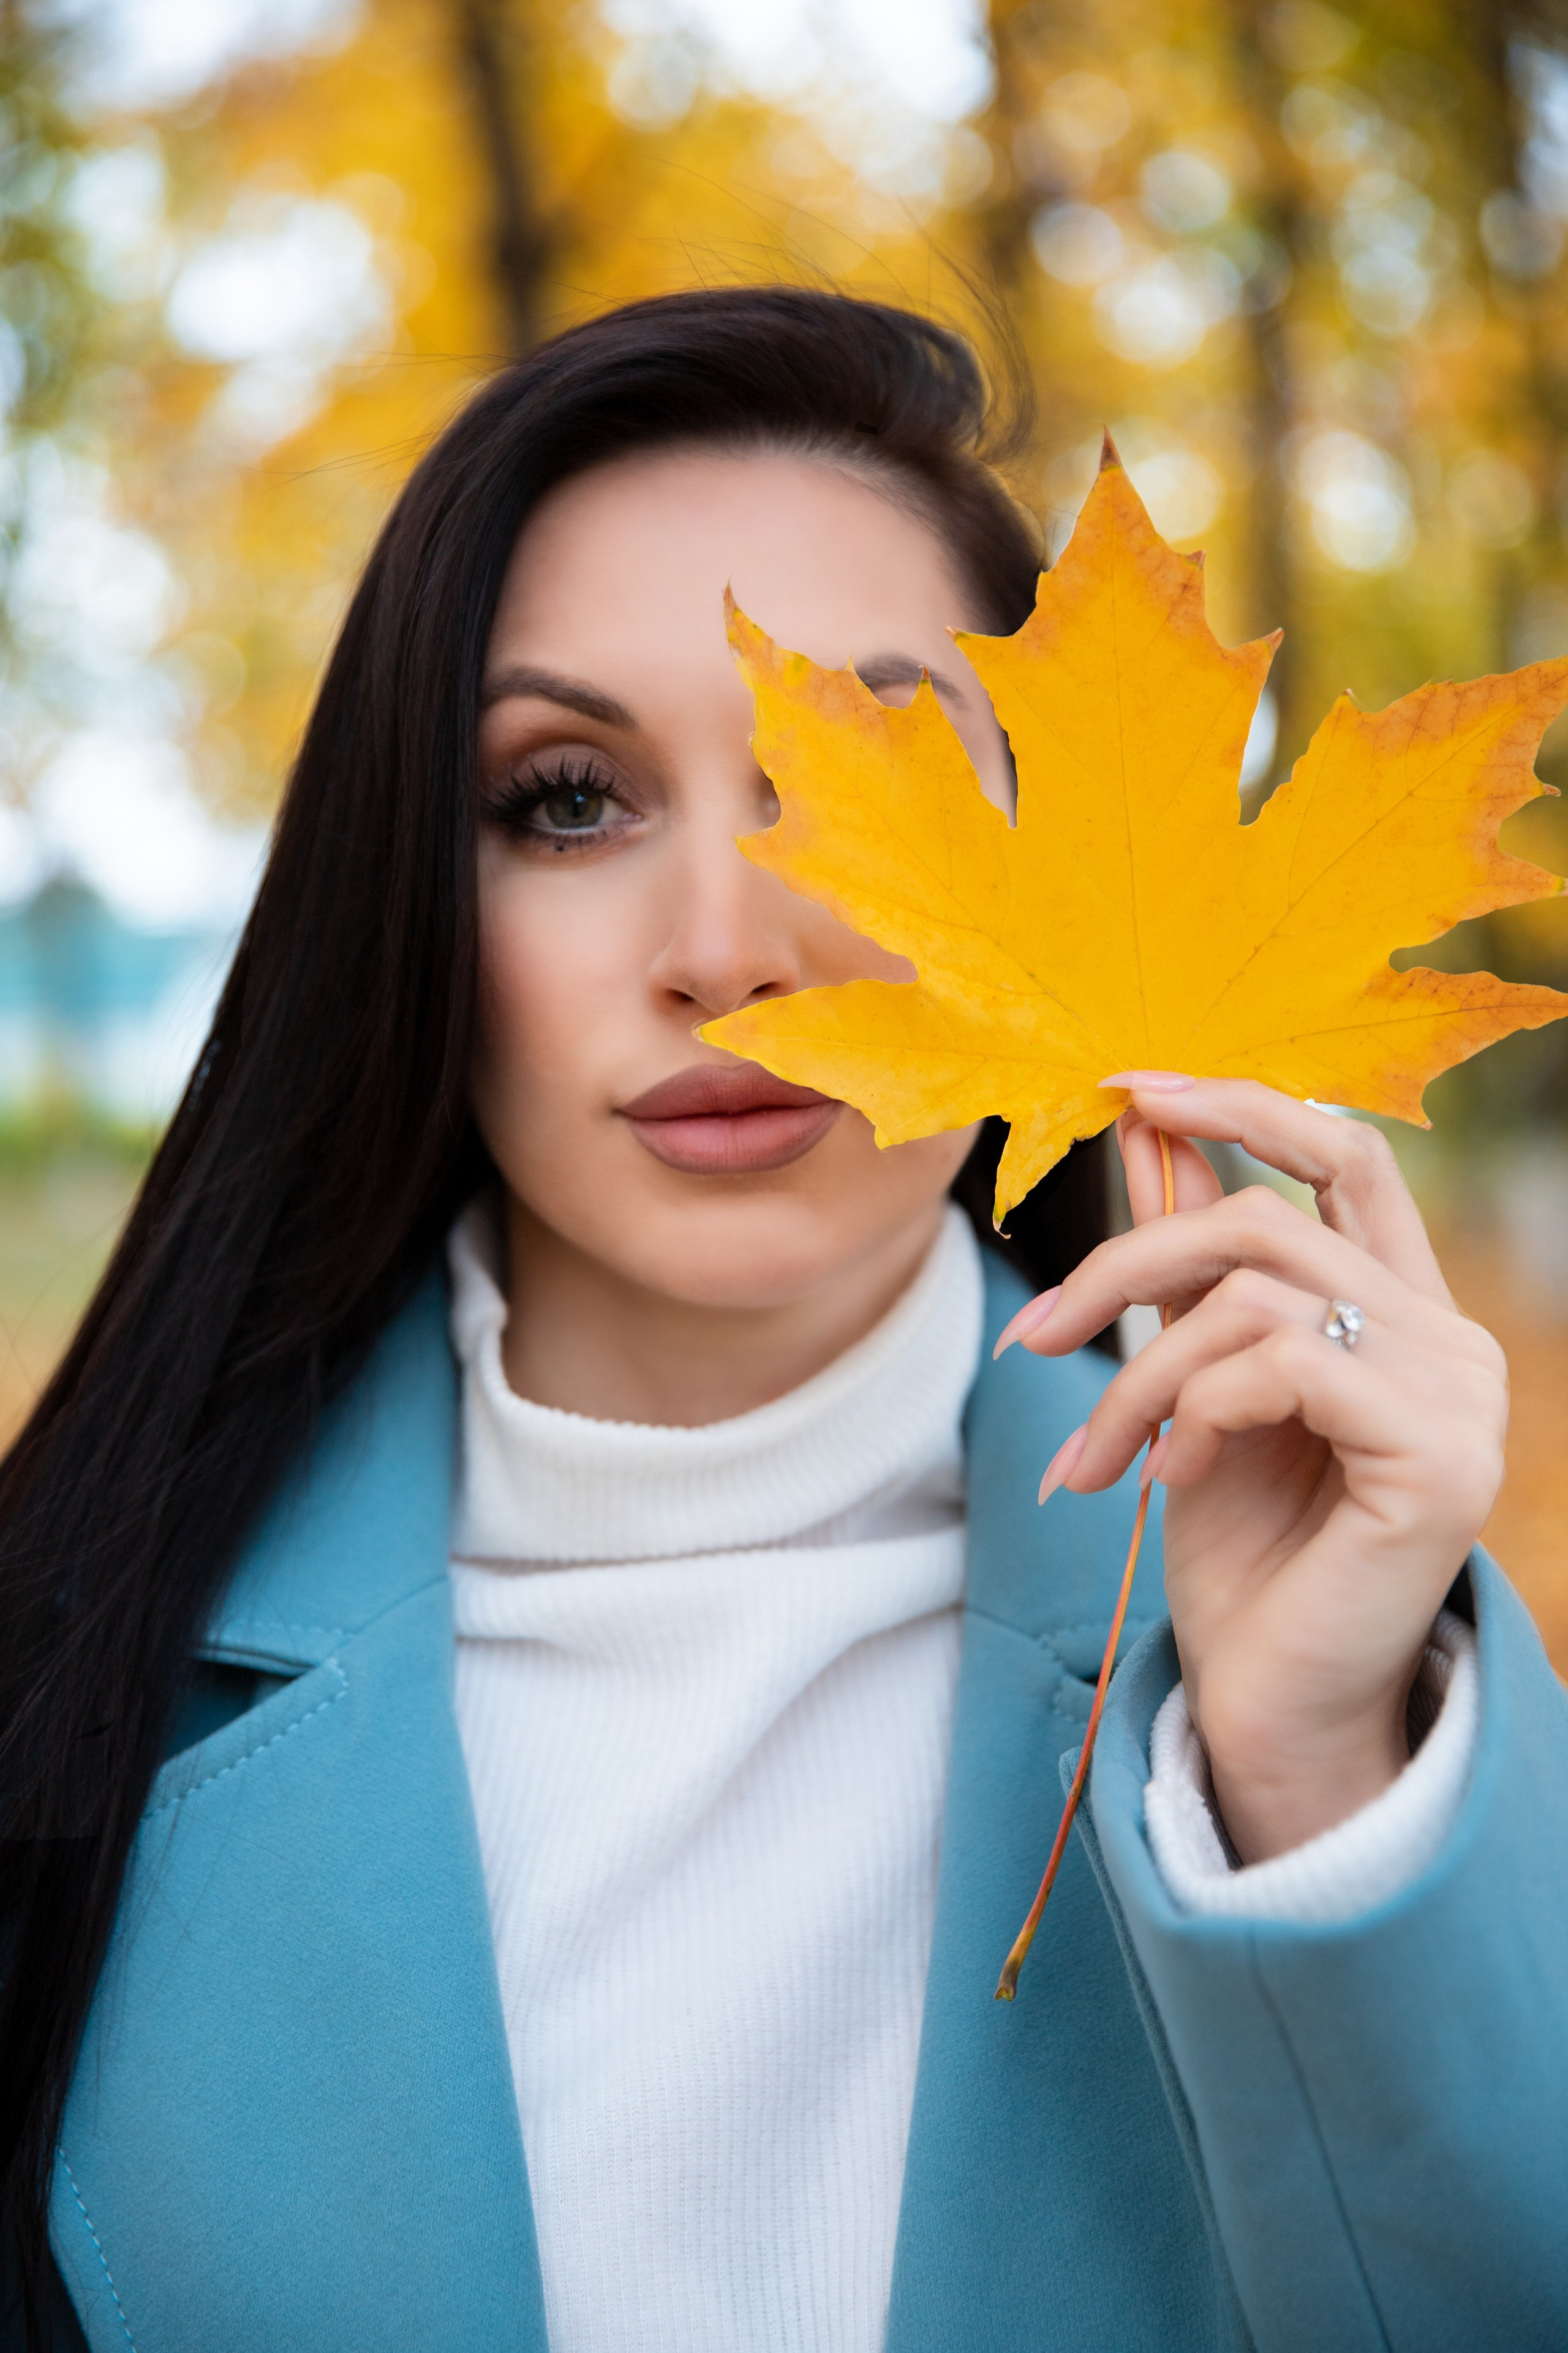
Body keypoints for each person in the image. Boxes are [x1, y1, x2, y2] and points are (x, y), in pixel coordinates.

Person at [1, 286, 1564, 2353]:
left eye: (865, 782)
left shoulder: (1345, 1679)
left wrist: (1313, 1785)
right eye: (567, 797)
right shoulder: (73, 1657)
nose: (729, 949)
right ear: (410, 903)